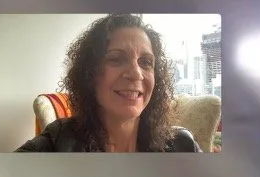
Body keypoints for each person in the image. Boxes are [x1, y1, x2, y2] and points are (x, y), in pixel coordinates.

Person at [16, 14, 201, 152]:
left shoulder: (182, 145)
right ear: (90, 73)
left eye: (145, 62)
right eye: (116, 59)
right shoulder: (58, 141)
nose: (136, 74)